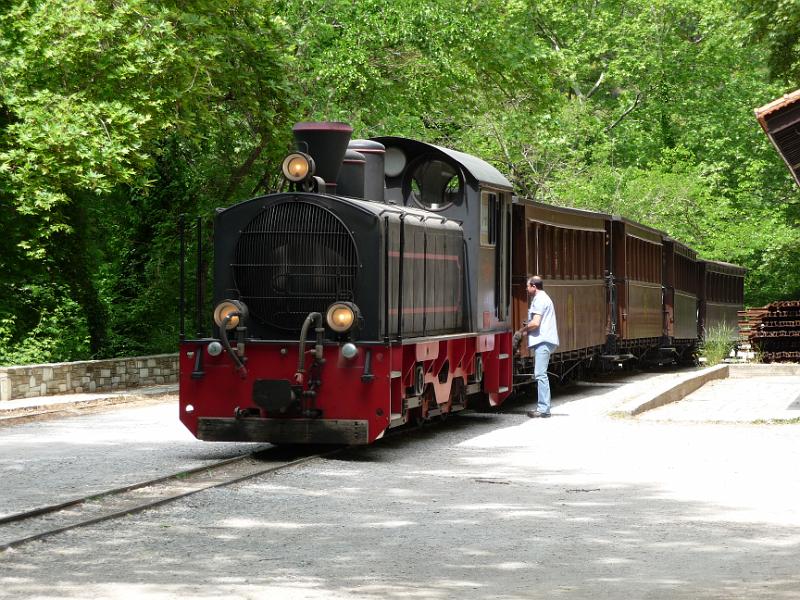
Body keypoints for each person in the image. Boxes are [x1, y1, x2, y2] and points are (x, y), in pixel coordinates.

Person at [518, 275, 559, 418]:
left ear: (534, 287)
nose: (526, 288)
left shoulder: (539, 300)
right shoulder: (544, 298)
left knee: (540, 374)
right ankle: (544, 407)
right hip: (546, 340)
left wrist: (522, 330)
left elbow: (536, 322)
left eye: (528, 286)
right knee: (541, 373)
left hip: (543, 340)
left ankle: (543, 409)